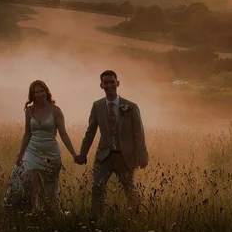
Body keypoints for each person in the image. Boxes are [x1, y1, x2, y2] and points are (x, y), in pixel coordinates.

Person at [76, 70, 148, 213]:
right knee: (97, 187)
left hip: (124, 155)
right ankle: (97, 219)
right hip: (104, 156)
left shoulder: (131, 106)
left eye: (112, 82)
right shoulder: (97, 106)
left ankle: (137, 215)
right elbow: (91, 131)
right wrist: (83, 153)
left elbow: (138, 133)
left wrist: (142, 156)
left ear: (117, 83)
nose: (109, 85)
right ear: (101, 85)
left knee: (129, 187)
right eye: (106, 83)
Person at [10, 80, 79, 212]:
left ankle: (50, 212)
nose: (40, 94)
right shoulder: (29, 111)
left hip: (51, 153)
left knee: (50, 190)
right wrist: (21, 154)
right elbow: (27, 133)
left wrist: (74, 154)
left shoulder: (55, 110)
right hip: (32, 151)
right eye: (37, 92)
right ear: (33, 95)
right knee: (30, 182)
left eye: (42, 91)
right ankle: (34, 211)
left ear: (46, 92)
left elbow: (63, 134)